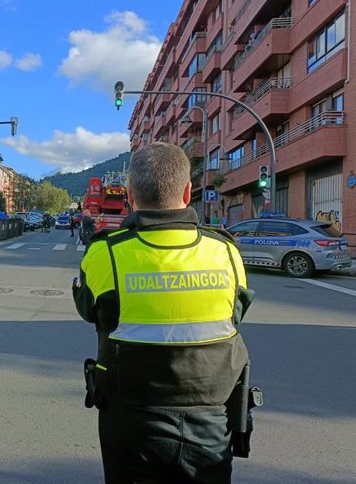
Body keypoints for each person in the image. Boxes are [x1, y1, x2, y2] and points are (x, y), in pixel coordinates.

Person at [73, 142, 256, 484]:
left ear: (129, 195)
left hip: (131, 420)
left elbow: (87, 309)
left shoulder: (104, 253)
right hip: (211, 417)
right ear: (188, 191)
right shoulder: (226, 251)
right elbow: (236, 313)